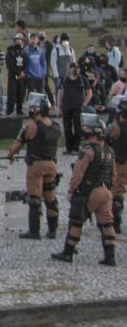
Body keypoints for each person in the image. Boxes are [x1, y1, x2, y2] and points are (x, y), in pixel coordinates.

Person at [52, 114, 117, 266]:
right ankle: (110, 256)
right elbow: (113, 175)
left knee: (76, 221)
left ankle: (68, 253)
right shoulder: (109, 151)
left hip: (90, 191)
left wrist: (71, 190)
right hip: (105, 191)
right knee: (107, 224)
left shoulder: (87, 151)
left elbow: (78, 174)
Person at [7, 93, 61, 239]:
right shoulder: (56, 126)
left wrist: (11, 153)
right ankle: (52, 230)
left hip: (36, 165)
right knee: (50, 197)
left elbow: (18, 144)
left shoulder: (31, 126)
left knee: (34, 198)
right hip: (51, 164)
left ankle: (34, 231)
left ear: (37, 110)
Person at [58, 63, 92, 154]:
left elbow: (89, 93)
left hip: (78, 107)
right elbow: (60, 94)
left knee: (78, 128)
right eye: (73, 68)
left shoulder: (83, 79)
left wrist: (84, 104)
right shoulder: (64, 80)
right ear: (69, 69)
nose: (75, 70)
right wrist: (58, 107)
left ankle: (76, 147)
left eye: (77, 68)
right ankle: (69, 147)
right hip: (66, 107)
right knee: (67, 128)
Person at [106, 99, 127, 234]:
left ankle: (116, 222)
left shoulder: (117, 126)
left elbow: (106, 138)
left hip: (120, 163)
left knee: (117, 192)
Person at [6, 34, 27, 115]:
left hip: (21, 76)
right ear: (14, 42)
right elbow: (10, 65)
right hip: (13, 76)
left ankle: (19, 109)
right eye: (17, 41)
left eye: (20, 40)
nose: (19, 42)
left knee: (20, 93)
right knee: (11, 94)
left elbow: (25, 63)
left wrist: (23, 72)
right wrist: (18, 72)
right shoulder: (10, 52)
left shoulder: (23, 52)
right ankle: (9, 110)